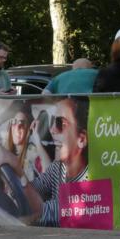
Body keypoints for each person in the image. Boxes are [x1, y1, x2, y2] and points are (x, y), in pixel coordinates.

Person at [25, 96, 90, 227]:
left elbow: (41, 213)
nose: (52, 129)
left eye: (60, 123)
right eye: (53, 122)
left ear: (81, 140)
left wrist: (14, 166)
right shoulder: (58, 167)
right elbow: (34, 189)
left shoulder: (90, 180)